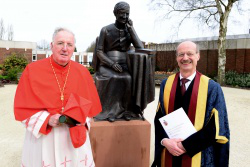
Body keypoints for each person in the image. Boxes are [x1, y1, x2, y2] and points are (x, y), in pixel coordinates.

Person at [14, 27, 102, 167]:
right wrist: (47, 119)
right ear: (51, 45)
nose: (65, 48)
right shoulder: (32, 70)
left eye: (69, 44)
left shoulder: (82, 73)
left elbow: (90, 110)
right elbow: (22, 109)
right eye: (60, 43)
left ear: (73, 48)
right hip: (44, 139)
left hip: (72, 140)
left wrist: (80, 119)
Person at [152, 41, 230, 167]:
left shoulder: (211, 87)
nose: (185, 58)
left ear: (198, 56)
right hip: (169, 154)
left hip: (199, 158)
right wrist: (165, 141)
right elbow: (160, 118)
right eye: (181, 54)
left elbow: (216, 127)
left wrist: (186, 145)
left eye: (190, 54)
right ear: (177, 58)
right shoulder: (166, 85)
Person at [93, 1, 144, 122]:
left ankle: (127, 111)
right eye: (122, 14)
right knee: (113, 77)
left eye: (127, 14)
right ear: (115, 13)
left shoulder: (129, 30)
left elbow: (140, 47)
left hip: (125, 64)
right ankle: (109, 112)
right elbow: (99, 51)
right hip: (107, 64)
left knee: (129, 79)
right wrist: (111, 64)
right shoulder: (105, 30)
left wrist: (131, 30)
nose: (125, 17)